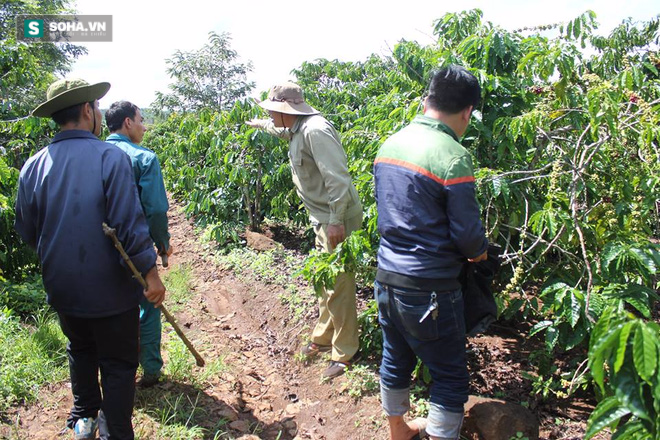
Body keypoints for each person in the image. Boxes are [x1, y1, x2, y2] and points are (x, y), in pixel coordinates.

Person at [14, 78, 166, 440]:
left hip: (62, 288)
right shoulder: (109, 156)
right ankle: (115, 430)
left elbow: (26, 231)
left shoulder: (33, 166)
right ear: (88, 111)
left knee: (80, 348)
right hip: (111, 291)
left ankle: (83, 419)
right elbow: (129, 225)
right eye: (97, 108)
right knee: (117, 362)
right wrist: (151, 275)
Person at [373, 65, 488, 440]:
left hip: (387, 279)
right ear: (467, 112)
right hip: (430, 287)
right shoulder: (452, 156)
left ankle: (399, 431)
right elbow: (469, 238)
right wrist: (482, 256)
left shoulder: (391, 144)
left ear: (428, 100)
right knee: (450, 375)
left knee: (395, 357)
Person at [247, 82, 363, 379]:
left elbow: (337, 177)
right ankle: (324, 336)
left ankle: (345, 350)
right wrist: (260, 124)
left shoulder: (315, 131)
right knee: (324, 281)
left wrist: (336, 219)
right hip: (321, 218)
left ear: (289, 110)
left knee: (339, 284)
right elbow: (280, 130)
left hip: (334, 218)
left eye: (274, 111)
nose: (272, 116)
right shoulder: (296, 128)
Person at [105, 100, 172, 388]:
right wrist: (162, 243)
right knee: (148, 304)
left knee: (111, 307)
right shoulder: (144, 158)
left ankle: (117, 370)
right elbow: (155, 209)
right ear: (128, 123)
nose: (144, 126)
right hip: (137, 247)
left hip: (99, 248)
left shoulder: (96, 156)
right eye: (141, 120)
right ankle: (151, 370)